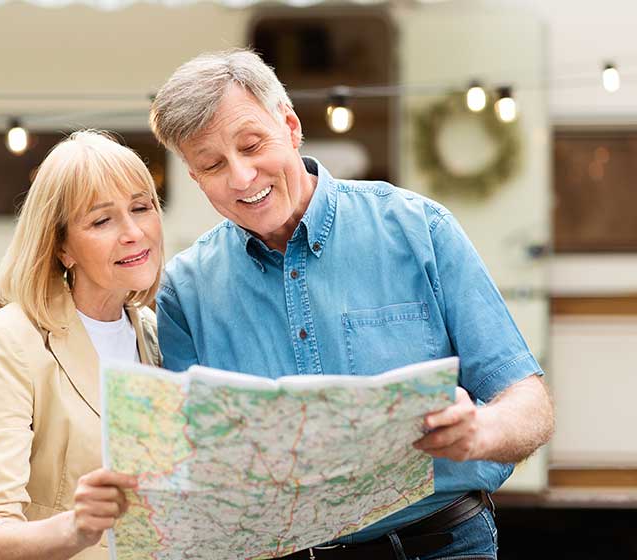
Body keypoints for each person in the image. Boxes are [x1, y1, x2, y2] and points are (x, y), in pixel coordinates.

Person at [150, 49, 554, 560]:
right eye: (211, 165)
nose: (241, 177)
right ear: (193, 175)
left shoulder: (419, 230)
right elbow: (194, 472)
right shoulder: (186, 293)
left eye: (252, 146)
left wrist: (481, 430)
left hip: (441, 545)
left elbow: (529, 405)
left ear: (291, 126)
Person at [0, 130, 164, 560]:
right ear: (62, 246)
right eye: (102, 220)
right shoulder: (5, 343)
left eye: (141, 208)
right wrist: (76, 528)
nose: (133, 232)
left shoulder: (154, 334)